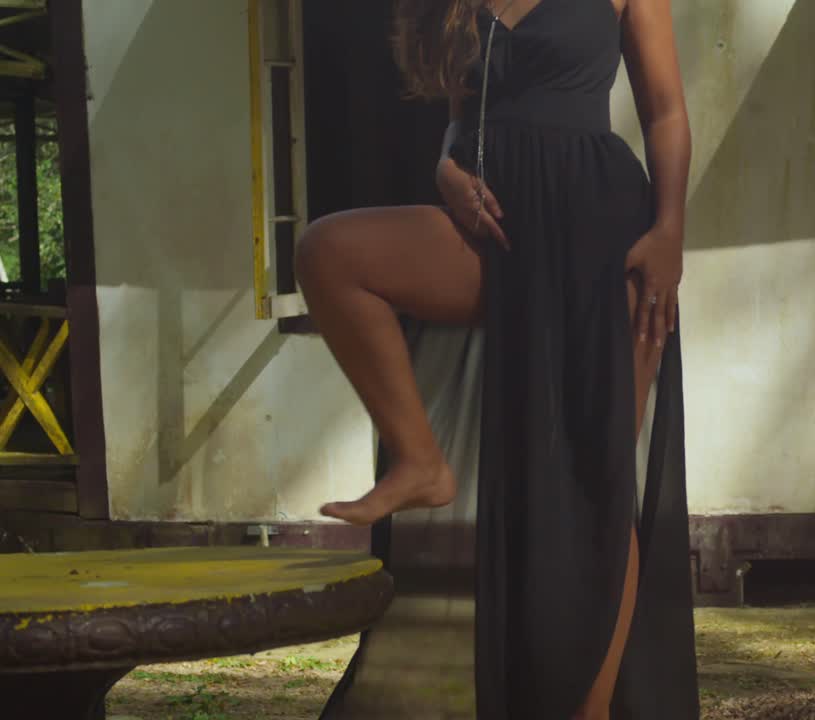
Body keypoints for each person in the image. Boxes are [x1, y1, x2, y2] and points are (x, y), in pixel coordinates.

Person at [293, 0, 699, 717]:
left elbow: (665, 110)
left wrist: (669, 232)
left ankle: (590, 708)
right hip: (496, 231)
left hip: (600, 236)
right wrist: (446, 172)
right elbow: (459, 120)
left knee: (600, 485)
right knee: (329, 253)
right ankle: (421, 461)